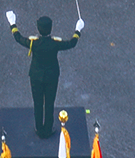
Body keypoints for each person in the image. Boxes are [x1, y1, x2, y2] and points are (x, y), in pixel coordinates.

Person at [8, 10, 82, 139]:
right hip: (52, 76)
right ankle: (48, 129)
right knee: (49, 103)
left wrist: (12, 23)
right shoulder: (55, 43)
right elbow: (72, 43)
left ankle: (38, 128)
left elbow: (18, 38)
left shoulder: (34, 43)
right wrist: (78, 30)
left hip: (36, 76)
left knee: (37, 103)